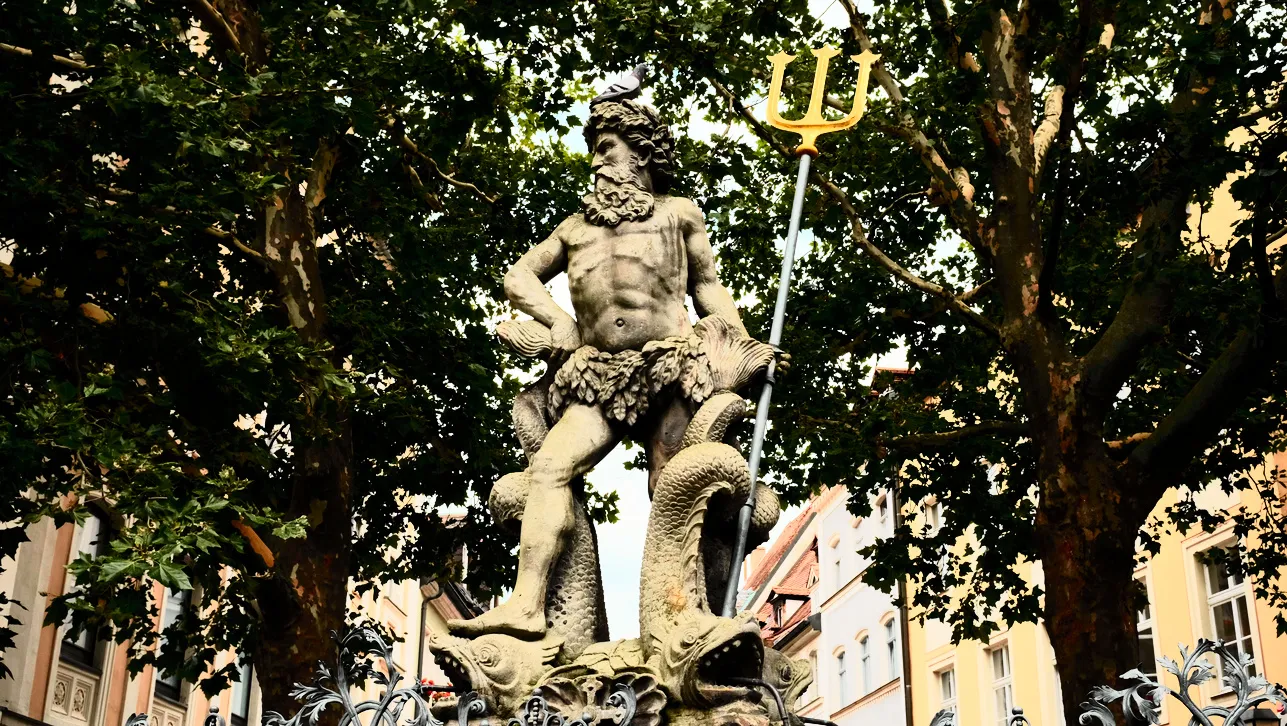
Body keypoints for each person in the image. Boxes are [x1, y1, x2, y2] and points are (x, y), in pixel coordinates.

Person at [449, 99, 755, 638]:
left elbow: (706, 287)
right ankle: (527, 604)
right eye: (593, 150)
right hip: (595, 374)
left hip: (670, 366)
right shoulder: (574, 229)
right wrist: (555, 320)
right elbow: (518, 278)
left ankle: (684, 617)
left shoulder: (677, 214)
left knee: (672, 485)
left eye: (606, 148)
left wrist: (740, 343)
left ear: (639, 156)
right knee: (548, 468)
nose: (595, 161)